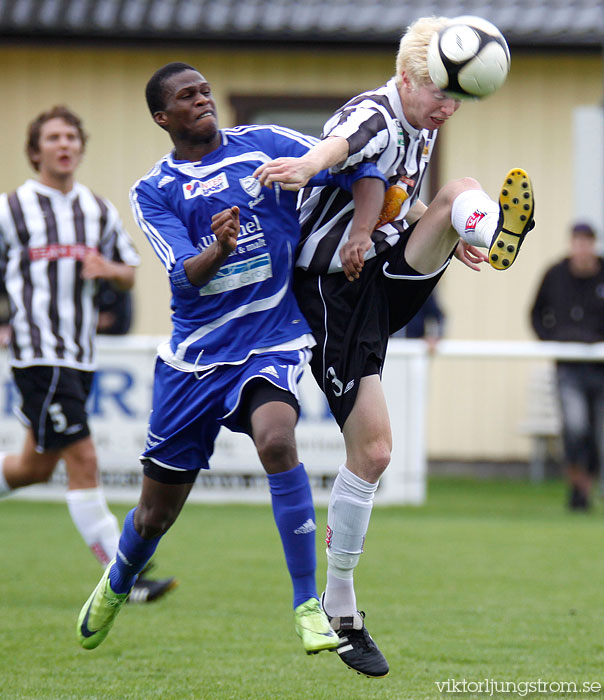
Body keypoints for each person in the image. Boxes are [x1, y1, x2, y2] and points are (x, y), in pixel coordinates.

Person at [255, 15, 535, 677]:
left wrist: (435, 230)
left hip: (378, 276)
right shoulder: (380, 113)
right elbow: (342, 144)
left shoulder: (421, 126)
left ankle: (480, 232)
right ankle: (341, 604)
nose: (448, 106)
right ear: (410, 76)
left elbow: (395, 203)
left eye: (457, 98)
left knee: (459, 191)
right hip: (332, 297)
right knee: (375, 452)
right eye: (441, 93)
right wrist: (306, 164)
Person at [76, 62, 387, 655]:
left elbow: (360, 167)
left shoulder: (267, 146)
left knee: (276, 440)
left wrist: (361, 230)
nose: (202, 100)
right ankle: (119, 579)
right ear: (162, 118)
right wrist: (217, 248)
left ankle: (306, 604)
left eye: (205, 91)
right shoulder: (155, 189)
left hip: (270, 336)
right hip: (195, 357)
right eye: (186, 97)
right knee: (154, 514)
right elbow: (183, 277)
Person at [0, 106, 176, 603]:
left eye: (72, 137)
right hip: (38, 354)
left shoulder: (96, 209)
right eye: (54, 137)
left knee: (35, 466)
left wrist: (107, 270)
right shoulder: (11, 209)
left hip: (79, 355)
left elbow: (128, 270)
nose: (64, 145)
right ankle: (124, 576)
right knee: (83, 456)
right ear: (36, 151)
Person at [530, 222, 604, 510]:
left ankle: (585, 488)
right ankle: (577, 488)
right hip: (569, 367)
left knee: (598, 433)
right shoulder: (555, 274)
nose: (581, 248)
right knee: (574, 428)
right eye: (577, 242)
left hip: (600, 367)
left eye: (586, 242)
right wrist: (551, 340)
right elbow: (536, 312)